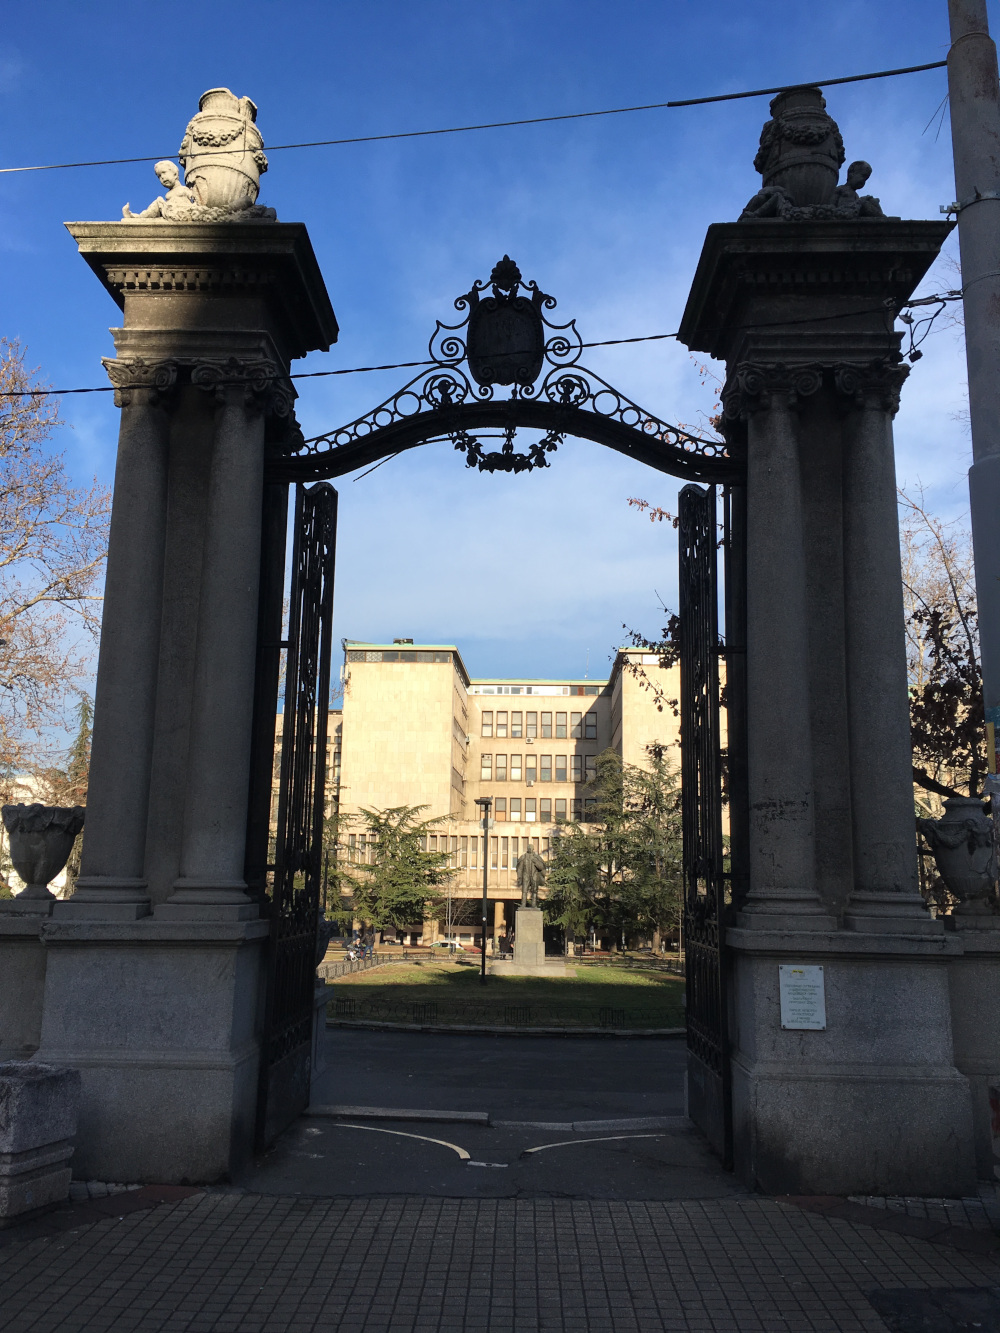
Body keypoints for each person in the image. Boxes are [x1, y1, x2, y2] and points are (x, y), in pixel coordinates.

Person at [122, 161, 198, 220]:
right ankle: (139, 217)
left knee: (159, 201)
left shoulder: (184, 189)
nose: (162, 177)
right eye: (159, 176)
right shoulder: (168, 194)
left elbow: (194, 199)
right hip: (171, 213)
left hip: (180, 212)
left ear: (175, 174)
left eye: (164, 173)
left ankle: (139, 218)